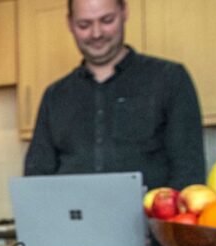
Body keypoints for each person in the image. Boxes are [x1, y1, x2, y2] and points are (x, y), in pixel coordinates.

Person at [23, 0, 205, 190]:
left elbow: (189, 172)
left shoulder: (170, 78)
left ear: (124, 12)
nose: (96, 33)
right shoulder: (55, 96)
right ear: (69, 23)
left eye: (107, 20)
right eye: (84, 25)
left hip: (150, 218)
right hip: (72, 219)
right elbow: (36, 177)